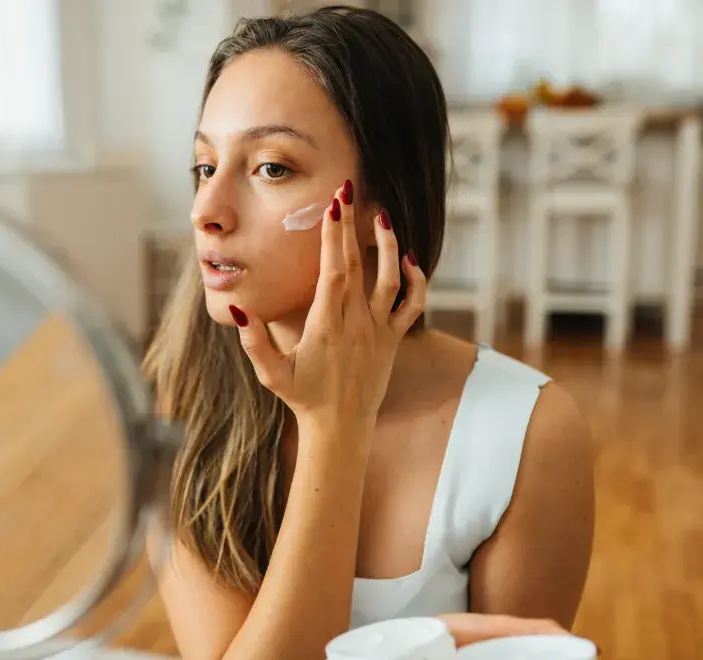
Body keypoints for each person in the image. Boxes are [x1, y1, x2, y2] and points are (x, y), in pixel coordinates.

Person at [142, 7, 596, 659]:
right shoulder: (183, 398)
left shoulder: (529, 434)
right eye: (206, 166)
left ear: (381, 207)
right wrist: (336, 428)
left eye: (271, 168)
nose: (205, 212)